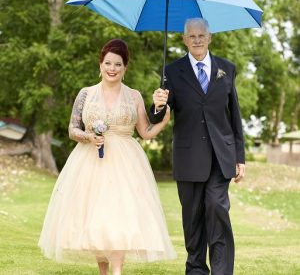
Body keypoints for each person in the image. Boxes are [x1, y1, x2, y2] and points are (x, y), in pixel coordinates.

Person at [38, 39, 176, 275]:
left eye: (118, 64)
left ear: (125, 68)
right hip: (90, 161)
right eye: (108, 63)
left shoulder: (133, 96)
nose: (112, 68)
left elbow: (145, 132)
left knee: (120, 215)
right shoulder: (86, 94)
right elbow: (73, 129)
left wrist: (163, 120)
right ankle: (103, 270)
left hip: (126, 163)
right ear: (100, 65)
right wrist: (89, 137)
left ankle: (117, 271)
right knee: (96, 216)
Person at [149, 18, 246, 275]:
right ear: (184, 40)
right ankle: (195, 270)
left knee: (216, 208)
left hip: (220, 156)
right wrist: (158, 104)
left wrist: (240, 157)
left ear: (210, 37)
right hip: (188, 157)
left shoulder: (227, 68)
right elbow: (159, 116)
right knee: (192, 219)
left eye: (201, 35)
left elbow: (234, 115)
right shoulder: (171, 71)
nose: (197, 40)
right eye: (192, 36)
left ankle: (222, 271)